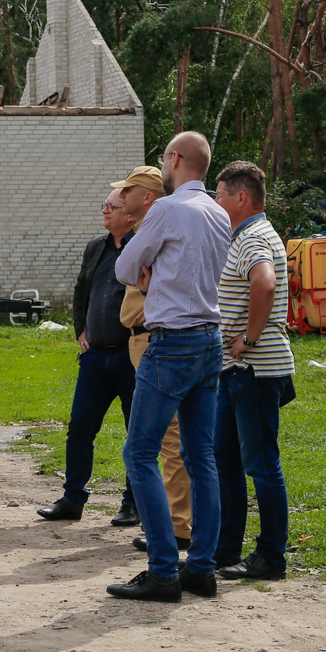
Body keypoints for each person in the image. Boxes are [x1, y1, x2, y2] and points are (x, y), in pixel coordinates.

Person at [109, 132, 230, 602]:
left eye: (164, 157)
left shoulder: (165, 209)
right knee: (202, 457)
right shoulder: (219, 212)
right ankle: (200, 567)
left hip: (171, 340)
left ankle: (162, 569)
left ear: (175, 159)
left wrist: (148, 269)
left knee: (139, 454)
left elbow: (125, 268)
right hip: (210, 339)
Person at [36, 187, 140, 524]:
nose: (105, 211)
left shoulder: (144, 246)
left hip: (133, 357)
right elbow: (82, 288)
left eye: (112, 206)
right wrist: (81, 328)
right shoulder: (96, 247)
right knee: (80, 427)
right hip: (96, 356)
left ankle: (132, 504)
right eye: (105, 205)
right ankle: (72, 499)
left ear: (131, 214)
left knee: (136, 432)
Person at [212, 160, 296, 580]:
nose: (215, 201)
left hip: (254, 368)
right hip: (236, 369)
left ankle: (271, 557)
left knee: (260, 463)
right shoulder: (244, 235)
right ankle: (226, 548)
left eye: (220, 195)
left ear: (240, 198)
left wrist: (249, 337)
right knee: (224, 458)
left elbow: (264, 283)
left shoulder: (254, 237)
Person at [113, 165, 194, 552]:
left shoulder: (159, 228)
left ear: (148, 196)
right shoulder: (151, 229)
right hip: (143, 339)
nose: (120, 197)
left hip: (156, 339)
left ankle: (178, 527)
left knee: (167, 438)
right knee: (170, 438)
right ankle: (177, 522)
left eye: (127, 190)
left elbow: (127, 273)